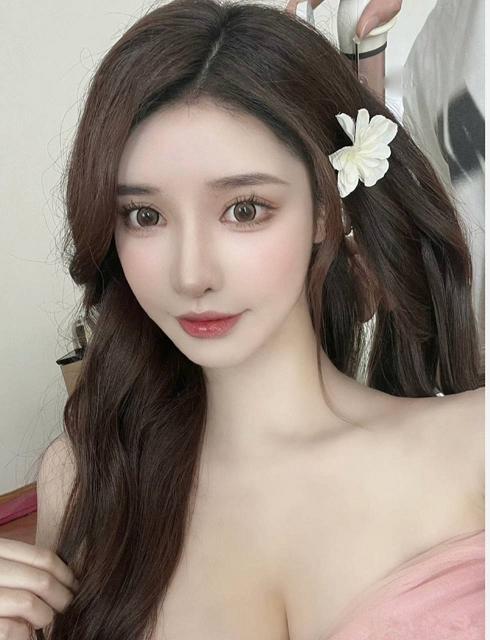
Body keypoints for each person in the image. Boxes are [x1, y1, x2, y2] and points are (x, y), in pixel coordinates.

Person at [0, 0, 483, 639]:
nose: (192, 274)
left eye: (245, 209)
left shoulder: (475, 444)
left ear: (325, 209)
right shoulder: (87, 477)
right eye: (145, 216)